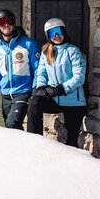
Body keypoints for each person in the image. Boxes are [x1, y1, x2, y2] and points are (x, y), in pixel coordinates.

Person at [27, 18, 86, 147]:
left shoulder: (72, 51)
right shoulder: (46, 52)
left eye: (59, 31)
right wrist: (41, 87)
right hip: (55, 99)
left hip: (73, 102)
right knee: (34, 104)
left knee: (71, 141)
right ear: (48, 36)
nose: (57, 36)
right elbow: (41, 73)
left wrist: (61, 88)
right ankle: (34, 142)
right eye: (53, 33)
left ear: (64, 32)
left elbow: (79, 77)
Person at [0, 10, 41, 129]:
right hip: (5, 95)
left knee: (12, 124)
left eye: (9, 21)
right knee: (11, 128)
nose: (6, 25)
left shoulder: (28, 44)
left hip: (23, 92)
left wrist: (36, 88)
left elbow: (38, 68)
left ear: (14, 22)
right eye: (2, 21)